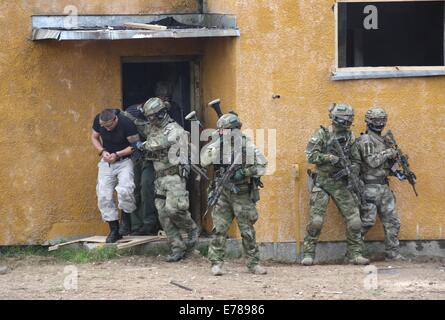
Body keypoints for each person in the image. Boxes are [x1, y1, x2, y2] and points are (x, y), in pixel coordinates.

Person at [301, 103, 369, 266]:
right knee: (316, 221)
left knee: (355, 221)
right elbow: (310, 156)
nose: (347, 122)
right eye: (345, 119)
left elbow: (357, 160)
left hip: (341, 182)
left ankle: (355, 254)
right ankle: (308, 253)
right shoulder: (323, 134)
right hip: (323, 181)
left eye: (349, 119)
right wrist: (330, 158)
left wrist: (352, 169)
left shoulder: (350, 137)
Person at [201, 113, 268, 276]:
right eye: (221, 131)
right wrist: (217, 144)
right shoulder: (218, 145)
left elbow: (262, 166)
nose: (222, 133)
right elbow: (204, 161)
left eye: (225, 131)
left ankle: (253, 263)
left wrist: (244, 172)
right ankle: (216, 263)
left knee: (247, 230)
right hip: (222, 192)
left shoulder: (247, 146)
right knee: (220, 229)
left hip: (241, 194)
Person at [138, 97, 199, 262]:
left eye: (152, 116)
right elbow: (140, 127)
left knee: (174, 209)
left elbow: (165, 142)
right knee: (163, 215)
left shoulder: (174, 129)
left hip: (174, 176)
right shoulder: (153, 128)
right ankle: (177, 247)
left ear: (161, 114)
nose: (150, 120)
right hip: (160, 178)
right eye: (148, 117)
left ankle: (191, 228)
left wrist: (144, 145)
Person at [357, 107, 405, 261]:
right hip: (370, 187)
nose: (380, 123)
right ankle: (354, 252)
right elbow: (372, 161)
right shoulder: (366, 140)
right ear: (369, 121)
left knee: (392, 221)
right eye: (377, 120)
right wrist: (388, 153)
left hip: (384, 187)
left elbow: (386, 165)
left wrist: (398, 172)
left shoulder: (385, 140)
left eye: (382, 120)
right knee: (366, 222)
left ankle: (393, 253)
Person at [91, 108, 140, 243]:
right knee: (103, 195)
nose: (106, 129)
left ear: (115, 120)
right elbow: (94, 137)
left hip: (124, 160)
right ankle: (114, 230)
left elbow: (135, 146)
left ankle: (125, 221)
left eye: (109, 126)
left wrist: (117, 154)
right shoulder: (98, 119)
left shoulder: (127, 123)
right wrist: (102, 151)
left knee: (125, 190)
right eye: (103, 127)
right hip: (107, 161)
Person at [121, 104, 160, 235]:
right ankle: (135, 225)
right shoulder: (132, 112)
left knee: (146, 187)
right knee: (133, 189)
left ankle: (149, 223)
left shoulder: (162, 116)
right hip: (136, 156)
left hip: (151, 158)